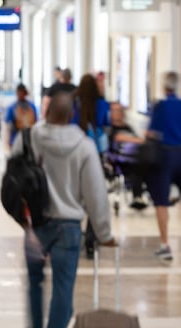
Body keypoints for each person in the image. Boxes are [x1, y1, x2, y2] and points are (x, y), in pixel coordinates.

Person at [11, 92, 115, 328]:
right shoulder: (84, 146)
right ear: (72, 116)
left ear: (46, 113)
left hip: (35, 224)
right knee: (62, 289)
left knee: (34, 282)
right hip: (68, 228)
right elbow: (95, 194)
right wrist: (104, 233)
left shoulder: (29, 137)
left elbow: (14, 173)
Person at [73, 73, 111, 258]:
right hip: (96, 156)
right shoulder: (102, 105)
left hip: (76, 156)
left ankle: (73, 234)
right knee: (94, 197)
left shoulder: (74, 104)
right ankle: (91, 238)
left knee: (76, 196)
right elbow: (106, 125)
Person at [145, 71, 181, 261]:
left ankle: (165, 244)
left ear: (164, 86)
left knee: (161, 202)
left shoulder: (160, 106)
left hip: (165, 155)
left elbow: (150, 133)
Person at [108, 101, 147, 210]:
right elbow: (118, 138)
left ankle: (141, 196)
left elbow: (140, 139)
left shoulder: (128, 127)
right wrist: (137, 141)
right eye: (115, 110)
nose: (118, 113)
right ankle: (137, 196)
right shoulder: (110, 128)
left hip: (136, 158)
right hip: (119, 160)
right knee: (134, 169)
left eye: (120, 110)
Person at [5, 83, 38, 147]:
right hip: (17, 138)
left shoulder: (31, 106)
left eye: (21, 93)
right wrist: (7, 141)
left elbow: (35, 123)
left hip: (27, 138)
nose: (20, 94)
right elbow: (8, 126)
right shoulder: (13, 107)